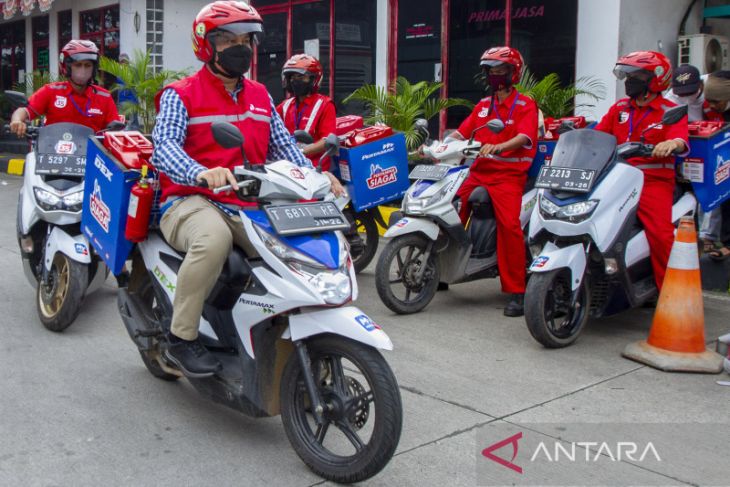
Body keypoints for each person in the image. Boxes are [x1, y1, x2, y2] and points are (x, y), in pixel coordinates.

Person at [152, 0, 342, 377]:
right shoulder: (181, 93)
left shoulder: (260, 95)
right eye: (228, 40)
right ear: (206, 44)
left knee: (302, 245)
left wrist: (320, 178)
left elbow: (284, 146)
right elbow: (164, 147)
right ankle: (181, 338)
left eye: (246, 39)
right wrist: (199, 172)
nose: (240, 47)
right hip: (190, 200)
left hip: (249, 200)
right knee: (213, 240)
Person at [449, 46, 538, 317]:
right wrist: (439, 145)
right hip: (478, 171)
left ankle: (516, 291)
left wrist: (499, 147)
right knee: (449, 208)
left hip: (508, 176)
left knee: (510, 226)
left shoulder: (526, 105)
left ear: (513, 74)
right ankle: (442, 269)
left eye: (501, 71)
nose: (495, 76)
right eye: (491, 71)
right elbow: (461, 133)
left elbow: (524, 137)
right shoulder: (483, 106)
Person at [594, 50, 689, 290]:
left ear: (654, 79)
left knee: (660, 233)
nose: (629, 81)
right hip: (616, 177)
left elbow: (679, 139)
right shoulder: (619, 109)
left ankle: (671, 293)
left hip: (652, 180)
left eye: (635, 76)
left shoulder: (669, 111)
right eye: (627, 75)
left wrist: (670, 144)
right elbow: (599, 136)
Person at [9, 40, 120, 136]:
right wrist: (17, 121)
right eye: (78, 65)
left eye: (87, 65)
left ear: (94, 68)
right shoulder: (50, 91)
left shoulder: (104, 96)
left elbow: (116, 129)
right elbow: (24, 110)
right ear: (66, 67)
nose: (83, 70)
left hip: (91, 157)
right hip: (51, 154)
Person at [276, 54, 337, 171]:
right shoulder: (285, 106)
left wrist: (300, 152)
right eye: (292, 77)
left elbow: (326, 141)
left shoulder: (325, 105)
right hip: (288, 168)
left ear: (314, 78)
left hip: (315, 169)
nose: (295, 81)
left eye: (300, 77)